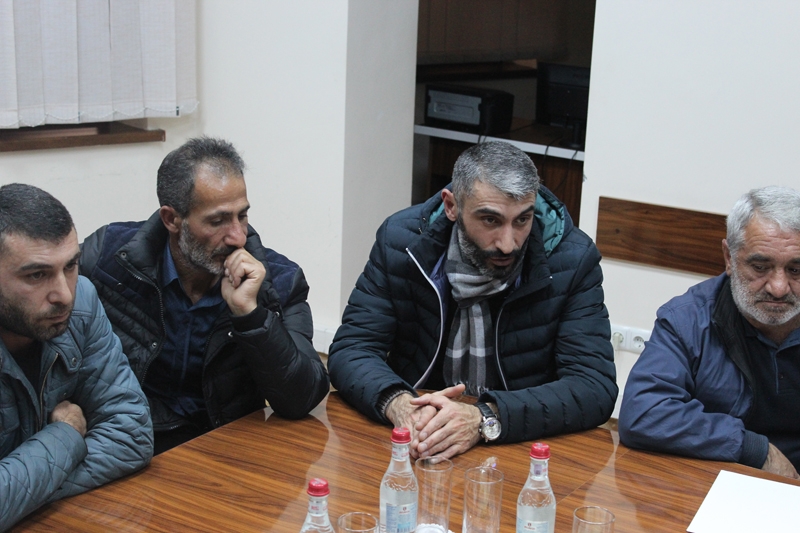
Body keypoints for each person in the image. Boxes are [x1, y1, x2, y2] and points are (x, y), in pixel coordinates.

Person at [328, 141, 617, 459]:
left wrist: (486, 417)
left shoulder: (572, 260)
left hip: (520, 444)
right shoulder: (400, 241)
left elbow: (593, 387)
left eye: (522, 220)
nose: (508, 244)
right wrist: (401, 405)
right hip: (417, 435)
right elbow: (353, 349)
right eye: (491, 220)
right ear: (451, 206)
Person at [79, 137, 329, 454]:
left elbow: (302, 399)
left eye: (242, 216)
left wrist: (251, 315)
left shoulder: (278, 282)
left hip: (225, 447)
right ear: (171, 219)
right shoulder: (108, 258)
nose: (238, 236)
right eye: (217, 221)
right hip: (129, 442)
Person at [619, 186, 800, 479]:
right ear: (729, 257)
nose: (778, 288)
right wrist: (754, 449)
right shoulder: (687, 320)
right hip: (720, 479)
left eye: (796, 270)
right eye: (760, 267)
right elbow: (644, 412)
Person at [0, 184, 153, 530]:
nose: (64, 294)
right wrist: (66, 435)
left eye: (70, 266)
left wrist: (20, 495)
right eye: (37, 274)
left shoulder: (81, 301)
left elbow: (131, 435)